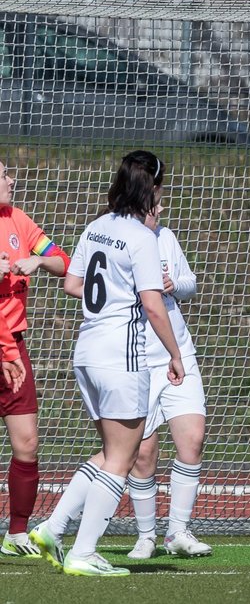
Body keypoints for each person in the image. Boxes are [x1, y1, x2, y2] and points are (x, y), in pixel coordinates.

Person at [30, 150, 185, 577]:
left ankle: (53, 527)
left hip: (87, 353)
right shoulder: (141, 237)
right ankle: (83, 552)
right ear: (151, 189)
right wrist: (174, 354)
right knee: (123, 457)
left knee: (110, 452)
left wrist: (112, 295)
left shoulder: (97, 226)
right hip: (122, 356)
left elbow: (73, 284)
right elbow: (154, 306)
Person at [125, 199, 213, 559]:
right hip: (138, 359)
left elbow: (190, 284)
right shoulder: (122, 241)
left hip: (179, 353)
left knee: (192, 438)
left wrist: (172, 284)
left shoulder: (166, 238)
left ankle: (177, 531)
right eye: (153, 205)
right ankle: (146, 535)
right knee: (143, 453)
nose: (159, 210)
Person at [0, 160, 67, 559]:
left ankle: (17, 532)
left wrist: (39, 261)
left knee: (27, 443)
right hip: (4, 348)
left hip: (14, 349)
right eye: (4, 173)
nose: (12, 180)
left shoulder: (18, 220)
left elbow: (65, 262)